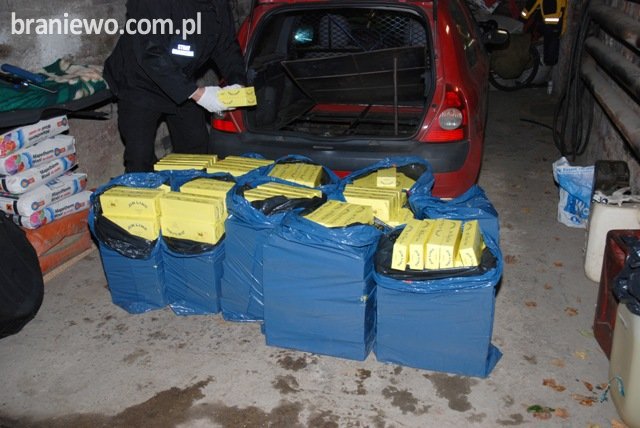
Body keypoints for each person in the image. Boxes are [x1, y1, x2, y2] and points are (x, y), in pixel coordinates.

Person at [103, 0, 247, 172]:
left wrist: (237, 82)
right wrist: (197, 94)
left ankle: (191, 186)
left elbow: (226, 45)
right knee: (140, 157)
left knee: (196, 147)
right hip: (139, 80)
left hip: (179, 75)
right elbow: (150, 52)